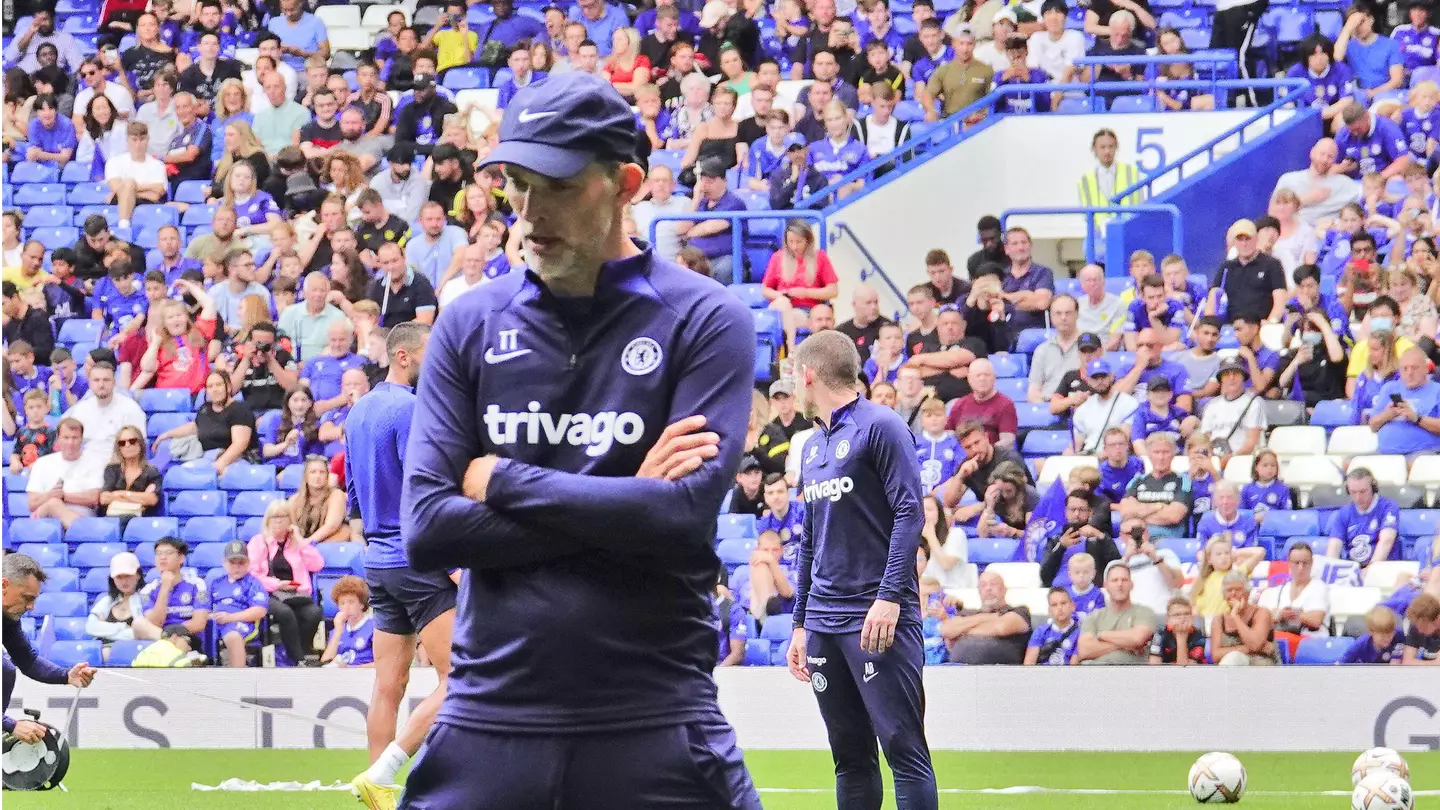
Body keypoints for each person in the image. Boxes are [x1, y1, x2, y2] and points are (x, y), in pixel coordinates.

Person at [398, 72, 761, 808]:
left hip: (657, 719)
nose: (530, 215)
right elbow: (428, 529)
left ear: (624, 183)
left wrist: (502, 482)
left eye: (558, 187)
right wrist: (627, 504)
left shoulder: (707, 319)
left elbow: (682, 516)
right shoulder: (469, 324)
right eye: (518, 187)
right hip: (487, 718)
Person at [778, 329, 937, 807]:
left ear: (809, 375)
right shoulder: (809, 447)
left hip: (877, 617)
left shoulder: (882, 426)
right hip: (824, 621)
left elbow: (912, 513)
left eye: (793, 377)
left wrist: (889, 597)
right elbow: (810, 539)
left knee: (903, 751)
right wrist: (800, 624)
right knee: (849, 758)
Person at [343, 323, 457, 806]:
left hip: (378, 559)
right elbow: (422, 487)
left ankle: (377, 789)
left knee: (388, 684)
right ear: (405, 356)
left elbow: (352, 497)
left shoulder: (357, 412)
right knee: (465, 678)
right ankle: (386, 771)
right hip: (417, 557)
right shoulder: (411, 409)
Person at [0, 554, 99, 743]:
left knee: (6, 668)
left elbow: (28, 661)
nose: (31, 607)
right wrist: (9, 724)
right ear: (4, 585)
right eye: (27, 598)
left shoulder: (7, 617)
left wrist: (66, 676)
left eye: (34, 599)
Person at [246, 499, 323, 665]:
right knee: (285, 613)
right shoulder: (259, 542)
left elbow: (317, 565)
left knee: (313, 613)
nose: (278, 521)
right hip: (269, 592)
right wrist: (276, 584)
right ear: (267, 521)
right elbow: (253, 574)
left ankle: (292, 655)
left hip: (296, 593)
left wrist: (301, 541)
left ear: (290, 520)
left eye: (282, 517)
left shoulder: (297, 543)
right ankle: (299, 659)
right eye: (274, 517)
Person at [25, 418, 106, 529]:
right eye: (66, 438)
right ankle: (81, 530)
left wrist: (63, 496)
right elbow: (32, 504)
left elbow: (94, 498)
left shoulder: (95, 462)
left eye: (75, 438)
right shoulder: (42, 463)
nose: (70, 443)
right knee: (52, 503)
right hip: (45, 516)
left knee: (54, 503)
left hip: (82, 514)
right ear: (58, 439)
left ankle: (77, 529)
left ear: (81, 439)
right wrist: (50, 496)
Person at [1076, 563, 1157, 665]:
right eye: (1114, 580)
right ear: (1106, 586)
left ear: (1131, 584)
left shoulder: (1144, 612)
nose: (1119, 584)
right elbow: (1084, 650)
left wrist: (1101, 635)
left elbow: (1137, 639)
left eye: (1124, 580)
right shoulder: (1094, 616)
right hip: (1095, 674)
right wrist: (1126, 644)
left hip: (1132, 674)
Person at [1327, 467, 1401, 568]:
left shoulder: (1388, 507)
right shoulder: (1344, 512)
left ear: (1373, 488)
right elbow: (1334, 545)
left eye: (1363, 491)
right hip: (1353, 568)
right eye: (1353, 492)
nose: (1358, 497)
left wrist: (1370, 569)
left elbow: (1386, 540)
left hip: (1382, 567)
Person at [86, 551, 163, 647]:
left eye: (128, 576)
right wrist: (122, 627)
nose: (124, 581)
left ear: (138, 575)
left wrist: (107, 631)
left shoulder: (147, 598)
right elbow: (91, 627)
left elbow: (146, 633)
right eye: (119, 577)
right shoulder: (107, 601)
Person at [99, 425, 162, 518]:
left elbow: (151, 499)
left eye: (132, 441)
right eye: (122, 443)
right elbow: (104, 498)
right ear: (119, 448)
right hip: (113, 518)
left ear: (140, 444)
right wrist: (139, 498)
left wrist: (121, 494)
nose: (127, 445)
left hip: (139, 520)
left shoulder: (151, 472)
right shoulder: (112, 469)